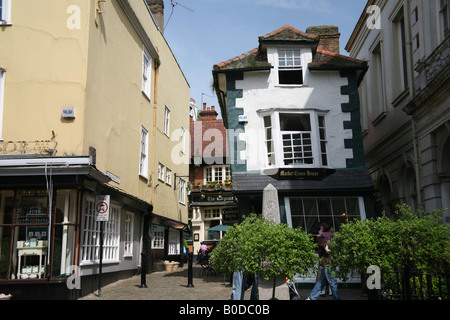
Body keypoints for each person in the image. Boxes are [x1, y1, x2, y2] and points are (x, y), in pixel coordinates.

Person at [307, 224, 341, 300]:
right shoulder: (327, 237)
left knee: (324, 282)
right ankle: (312, 297)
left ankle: (312, 297)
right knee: (329, 282)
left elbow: (326, 248)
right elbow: (327, 249)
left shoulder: (323, 237)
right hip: (327, 262)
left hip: (326, 262)